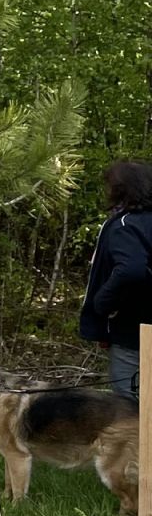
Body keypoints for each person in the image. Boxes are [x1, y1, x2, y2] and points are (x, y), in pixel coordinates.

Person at [80, 160, 152, 401]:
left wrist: (102, 305)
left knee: (131, 411)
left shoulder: (125, 225)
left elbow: (131, 270)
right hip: (139, 331)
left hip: (135, 336)